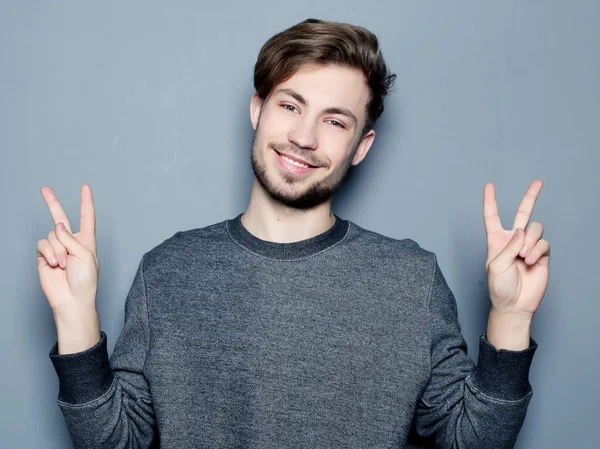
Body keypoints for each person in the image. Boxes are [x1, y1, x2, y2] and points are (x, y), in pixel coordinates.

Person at [37, 18, 550, 449]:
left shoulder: (410, 280)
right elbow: (115, 440)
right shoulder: (168, 270)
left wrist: (511, 315)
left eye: (335, 121)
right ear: (257, 109)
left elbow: (473, 439)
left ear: (362, 145)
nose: (304, 138)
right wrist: (75, 314)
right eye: (290, 106)